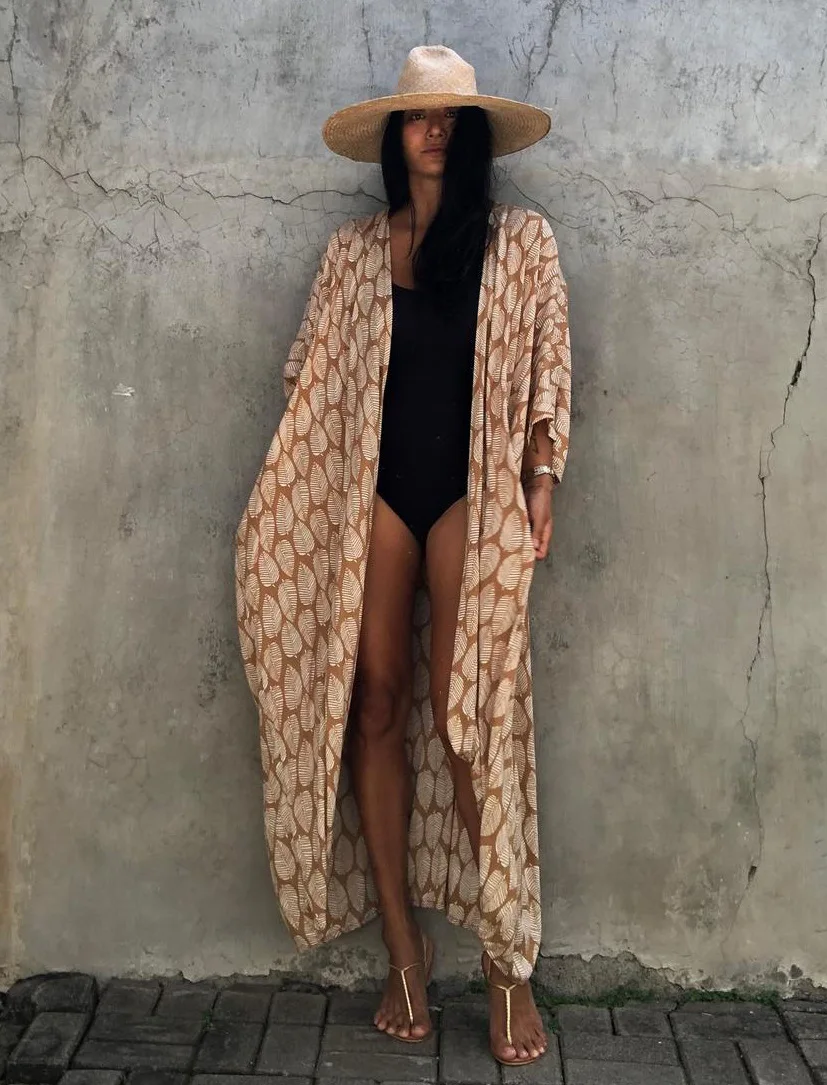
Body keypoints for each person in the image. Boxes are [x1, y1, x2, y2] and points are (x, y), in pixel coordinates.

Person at [234, 44, 572, 1068]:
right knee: (373, 705)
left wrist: (542, 474)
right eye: (418, 117)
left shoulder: (520, 243)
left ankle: (508, 961)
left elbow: (548, 363)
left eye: (452, 120)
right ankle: (404, 950)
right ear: (393, 137)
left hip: (472, 491)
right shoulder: (352, 255)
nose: (434, 132)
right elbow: (311, 380)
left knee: (468, 721)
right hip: (370, 497)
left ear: (472, 140)